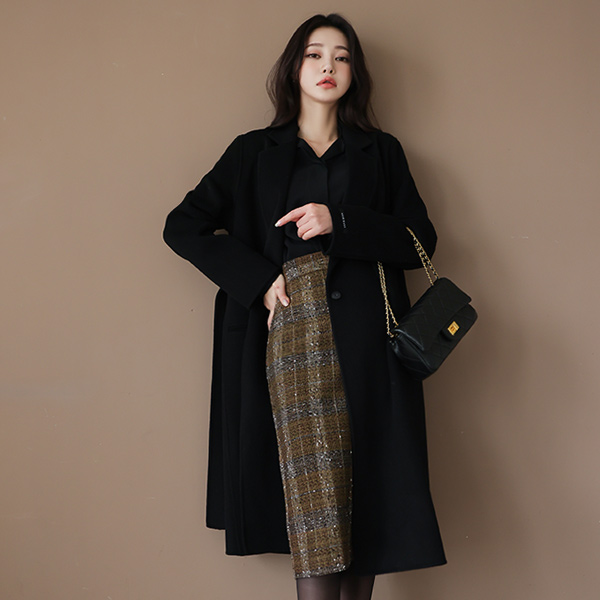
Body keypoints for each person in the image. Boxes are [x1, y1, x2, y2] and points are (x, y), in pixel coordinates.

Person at [163, 13, 446, 600]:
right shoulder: (253, 152)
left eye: (341, 57)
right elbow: (182, 225)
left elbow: (420, 240)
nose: (328, 66)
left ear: (354, 73)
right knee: (313, 494)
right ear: (294, 67)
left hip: (371, 337)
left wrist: (339, 220)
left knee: (366, 487)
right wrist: (260, 281)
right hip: (291, 329)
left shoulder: (381, 152)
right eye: (315, 54)